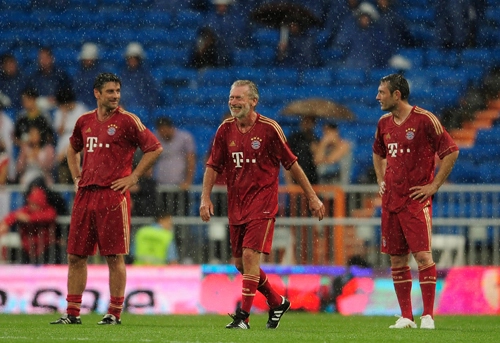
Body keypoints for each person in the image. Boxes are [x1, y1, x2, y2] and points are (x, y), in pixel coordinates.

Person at [199, 80, 325, 329]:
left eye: (239, 98)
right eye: (231, 98)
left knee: (249, 256)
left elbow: (292, 164)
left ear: (253, 101)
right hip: (237, 205)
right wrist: (205, 197)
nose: (233, 103)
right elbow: (213, 165)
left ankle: (243, 317)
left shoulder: (269, 129)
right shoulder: (225, 129)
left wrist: (312, 196)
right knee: (240, 264)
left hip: (263, 204)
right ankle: (277, 301)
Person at [50, 73, 163, 325]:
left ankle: (114, 313)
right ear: (97, 93)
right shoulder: (84, 121)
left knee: (114, 257)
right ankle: (72, 314)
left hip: (112, 195)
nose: (115, 96)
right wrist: (76, 176)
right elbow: (72, 148)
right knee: (76, 256)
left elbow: (155, 148)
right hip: (85, 194)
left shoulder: (127, 121)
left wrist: (133, 177)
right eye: (110, 91)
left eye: (118, 91)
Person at [372, 74, 459, 330]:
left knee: (422, 256)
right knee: (397, 260)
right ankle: (406, 316)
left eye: (382, 92)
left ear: (396, 95)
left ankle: (428, 316)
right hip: (391, 202)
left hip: (415, 201)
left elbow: (451, 150)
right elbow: (378, 153)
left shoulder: (424, 120)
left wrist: (434, 186)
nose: (377, 97)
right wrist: (380, 179)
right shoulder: (383, 123)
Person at [153, 116, 196, 259]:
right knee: (161, 223)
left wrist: (188, 181)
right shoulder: (156, 139)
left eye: (164, 131)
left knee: (180, 223)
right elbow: (150, 159)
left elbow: (191, 159)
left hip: (179, 190)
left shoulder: (184, 138)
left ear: (171, 128)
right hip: (161, 190)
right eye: (160, 131)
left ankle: (182, 255)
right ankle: (164, 255)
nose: (163, 134)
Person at [0, 186, 58, 264]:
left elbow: (50, 216)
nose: (32, 206)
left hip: (45, 249)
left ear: (41, 203)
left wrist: (29, 219)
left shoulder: (48, 210)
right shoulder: (27, 210)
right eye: (30, 203)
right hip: (28, 249)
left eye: (35, 204)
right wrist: (5, 223)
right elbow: (14, 215)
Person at [52, 87, 89, 183]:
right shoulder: (59, 112)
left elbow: (86, 131)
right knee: (60, 159)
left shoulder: (81, 109)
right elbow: (59, 131)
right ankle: (65, 181)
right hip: (64, 138)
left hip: (78, 138)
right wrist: (63, 115)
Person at [119, 42, 161, 113]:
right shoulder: (122, 75)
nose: (132, 60)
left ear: (139, 59)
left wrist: (145, 110)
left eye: (135, 58)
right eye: (130, 58)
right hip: (126, 111)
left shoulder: (146, 76)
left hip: (142, 111)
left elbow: (153, 95)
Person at [285, 115, 319, 185]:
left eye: (310, 122)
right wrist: (289, 182)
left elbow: (317, 160)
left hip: (312, 178)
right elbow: (287, 159)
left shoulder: (315, 140)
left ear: (314, 124)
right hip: (297, 177)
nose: (308, 125)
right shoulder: (294, 138)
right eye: (306, 121)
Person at [73, 43, 103, 109]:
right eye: (85, 59)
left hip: (96, 107)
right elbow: (75, 91)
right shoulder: (79, 74)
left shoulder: (101, 74)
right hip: (80, 106)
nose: (87, 61)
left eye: (89, 59)